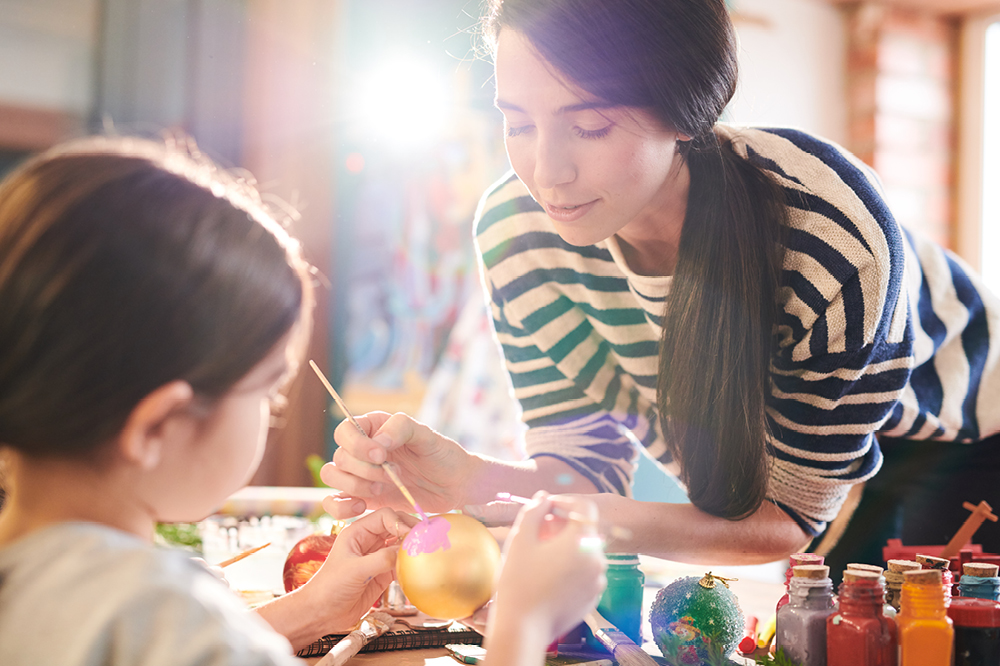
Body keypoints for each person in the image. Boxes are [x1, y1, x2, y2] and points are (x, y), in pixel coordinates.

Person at [321, 0, 1000, 575]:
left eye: (589, 125)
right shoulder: (516, 233)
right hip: (818, 469)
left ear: (686, 108)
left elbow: (780, 521)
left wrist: (515, 506)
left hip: (960, 435)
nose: (545, 171)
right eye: (519, 123)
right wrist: (469, 483)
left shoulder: (827, 237)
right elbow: (585, 481)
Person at [0, 136, 606, 666]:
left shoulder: (58, 587)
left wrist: (313, 609)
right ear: (158, 425)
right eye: (267, 391)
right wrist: (523, 624)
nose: (272, 412)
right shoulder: (164, 615)